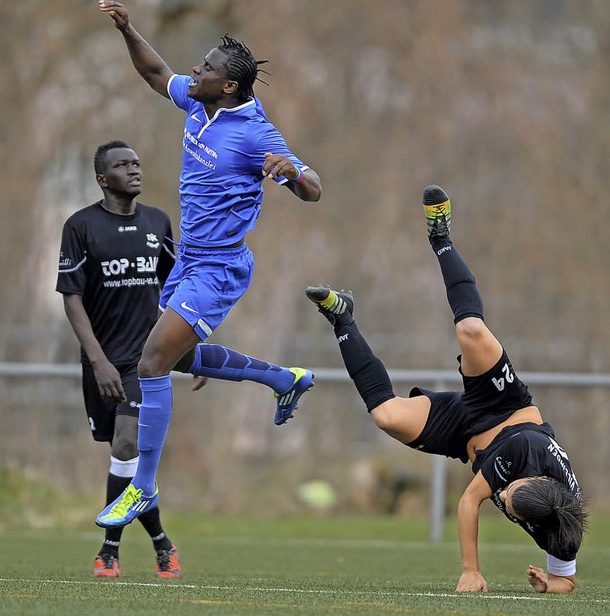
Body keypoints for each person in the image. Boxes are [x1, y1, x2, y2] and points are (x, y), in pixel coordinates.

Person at [95, 2, 322, 529]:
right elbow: (154, 72)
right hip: (187, 261)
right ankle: (285, 378)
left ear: (228, 87)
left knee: (150, 361)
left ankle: (143, 489)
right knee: (172, 360)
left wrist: (292, 174)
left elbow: (314, 190)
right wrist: (129, 29)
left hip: (218, 267)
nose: (194, 71)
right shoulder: (199, 105)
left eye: (206, 67)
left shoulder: (255, 133)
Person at [305, 185, 588, 594]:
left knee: (386, 415)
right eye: (510, 490)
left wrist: (549, 584)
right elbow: (470, 501)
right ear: (538, 481)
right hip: (505, 408)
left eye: (505, 499)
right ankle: (441, 237)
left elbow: (569, 581)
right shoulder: (525, 455)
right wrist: (471, 570)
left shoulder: (562, 530)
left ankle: (341, 318)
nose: (503, 494)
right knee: (471, 330)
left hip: (463, 434)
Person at [56, 140, 181, 578]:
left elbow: (178, 293)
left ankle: (108, 549)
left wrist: (189, 349)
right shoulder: (80, 226)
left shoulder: (158, 222)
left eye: (136, 163)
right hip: (101, 362)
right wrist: (98, 361)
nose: (134, 170)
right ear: (102, 179)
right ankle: (163, 542)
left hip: (144, 363)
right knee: (124, 458)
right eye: (122, 165)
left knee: (129, 445)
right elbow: (71, 299)